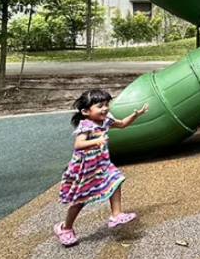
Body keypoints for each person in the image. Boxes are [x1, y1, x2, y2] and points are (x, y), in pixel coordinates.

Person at [54, 89, 148, 247]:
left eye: (106, 105)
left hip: (101, 163)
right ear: (86, 111)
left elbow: (122, 124)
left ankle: (116, 214)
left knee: (116, 180)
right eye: (100, 106)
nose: (105, 109)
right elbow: (78, 144)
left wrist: (135, 115)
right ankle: (65, 228)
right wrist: (96, 141)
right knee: (80, 201)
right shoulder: (86, 125)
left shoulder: (106, 119)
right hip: (85, 168)